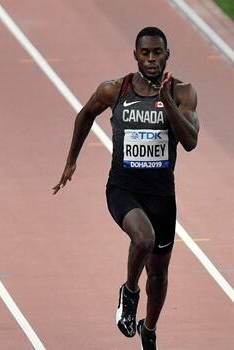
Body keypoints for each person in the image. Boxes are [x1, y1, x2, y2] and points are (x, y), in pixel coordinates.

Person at [53, 27, 199, 349]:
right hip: (122, 189)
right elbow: (85, 115)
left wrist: (167, 104)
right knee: (143, 238)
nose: (150, 59)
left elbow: (190, 142)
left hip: (162, 195)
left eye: (157, 53)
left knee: (159, 276)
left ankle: (148, 328)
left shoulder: (182, 92)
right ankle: (130, 290)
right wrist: (71, 161)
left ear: (167, 55)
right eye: (144, 53)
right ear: (135, 55)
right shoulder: (115, 90)